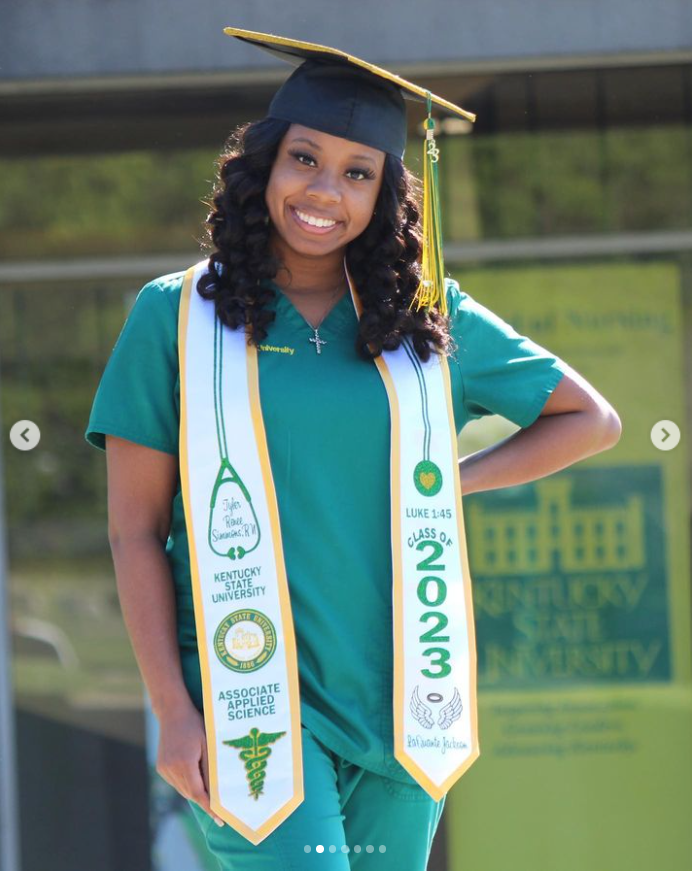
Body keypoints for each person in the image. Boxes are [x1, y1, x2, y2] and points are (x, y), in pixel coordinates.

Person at [84, 28, 622, 871]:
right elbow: (132, 529)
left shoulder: (426, 321)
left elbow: (589, 419)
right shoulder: (176, 319)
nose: (324, 190)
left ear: (386, 194)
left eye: (357, 172)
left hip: (404, 702)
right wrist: (172, 711)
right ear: (263, 164)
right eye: (305, 158)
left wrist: (448, 484)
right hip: (251, 703)